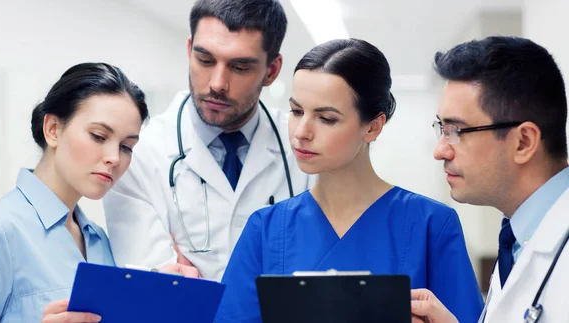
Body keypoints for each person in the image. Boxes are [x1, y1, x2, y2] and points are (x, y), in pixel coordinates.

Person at [215, 38, 484, 323]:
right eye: (296, 112)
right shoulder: (265, 231)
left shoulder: (431, 226)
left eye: (326, 118)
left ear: (372, 126)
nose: (301, 132)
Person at [0, 63, 196, 323]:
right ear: (53, 129)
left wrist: (153, 295)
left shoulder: (99, 242)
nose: (114, 158)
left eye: (126, 147)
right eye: (99, 136)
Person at [103, 0, 312, 282]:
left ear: (272, 71)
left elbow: (319, 272)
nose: (217, 83)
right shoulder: (140, 153)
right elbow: (154, 291)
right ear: (189, 50)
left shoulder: (305, 147)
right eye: (205, 60)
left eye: (239, 67)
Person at [411, 36, 569, 323]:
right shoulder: (517, 239)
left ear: (523, 142)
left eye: (456, 130)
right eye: (441, 128)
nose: (439, 150)